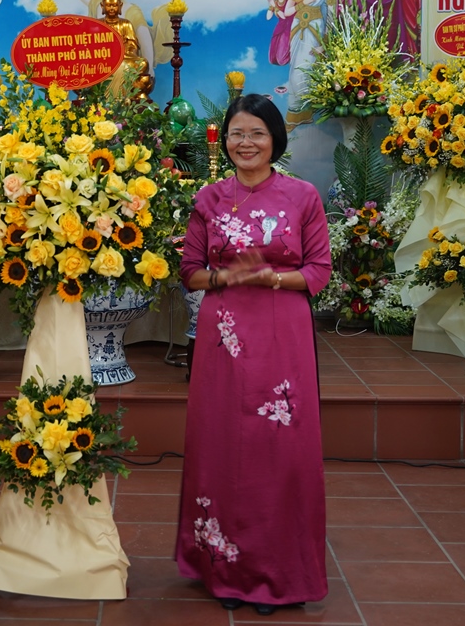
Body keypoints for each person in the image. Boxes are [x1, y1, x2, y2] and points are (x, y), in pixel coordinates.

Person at [175, 95, 331, 616]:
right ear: (226, 139)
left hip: (283, 333)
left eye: (257, 134)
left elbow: (318, 270)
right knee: (221, 444)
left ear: (274, 140)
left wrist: (272, 278)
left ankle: (279, 573)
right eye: (238, 133)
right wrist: (226, 276)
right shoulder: (209, 198)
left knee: (280, 451)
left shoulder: (303, 196)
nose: (247, 143)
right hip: (224, 336)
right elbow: (190, 271)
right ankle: (223, 568)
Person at [74, 0, 163, 89]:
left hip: (123, 61)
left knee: (140, 64)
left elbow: (144, 41)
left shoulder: (131, 12)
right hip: (100, 60)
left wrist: (149, 68)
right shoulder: (97, 4)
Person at [285, 0, 337, 131]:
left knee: (306, 72)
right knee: (294, 73)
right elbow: (287, 11)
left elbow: (332, 15)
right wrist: (303, 4)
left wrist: (326, 42)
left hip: (315, 30)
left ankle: (307, 114)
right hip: (297, 30)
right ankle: (296, 116)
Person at [100, 0, 152, 99]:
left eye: (115, 5)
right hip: (103, 59)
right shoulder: (98, 24)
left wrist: (121, 52)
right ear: (102, 6)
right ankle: (133, 92)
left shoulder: (126, 24)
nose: (112, 8)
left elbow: (132, 46)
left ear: (120, 6)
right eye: (108, 5)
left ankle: (129, 93)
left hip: (123, 58)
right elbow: (92, 47)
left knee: (143, 63)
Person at [265, 0, 292, 68]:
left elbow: (284, 16)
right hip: (280, 27)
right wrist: (271, 6)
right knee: (272, 58)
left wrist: (274, 6)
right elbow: (268, 17)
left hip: (289, 26)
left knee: (281, 59)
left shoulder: (289, 0)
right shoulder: (275, 3)